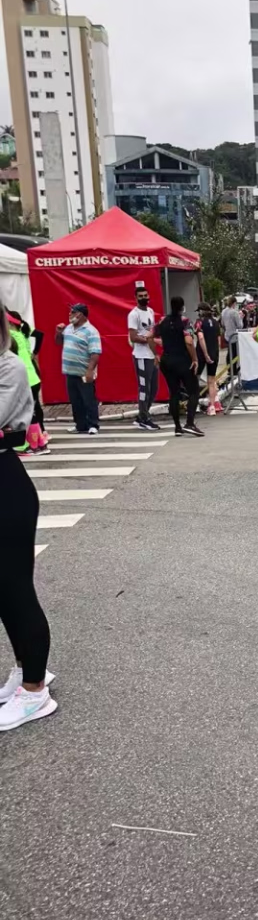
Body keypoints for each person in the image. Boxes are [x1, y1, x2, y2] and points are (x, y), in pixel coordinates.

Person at [0, 304, 56, 731]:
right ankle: (24, 670)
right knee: (3, 593)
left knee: (16, 589)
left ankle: (36, 690)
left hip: (6, 485)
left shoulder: (10, 366)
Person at [154, 297, 205, 438]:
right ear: (182, 307)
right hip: (182, 360)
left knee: (174, 393)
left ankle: (177, 427)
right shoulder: (184, 321)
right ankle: (190, 423)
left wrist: (155, 354)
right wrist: (194, 358)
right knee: (193, 391)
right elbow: (188, 341)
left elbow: (149, 336)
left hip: (167, 360)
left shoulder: (162, 321)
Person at [54, 303, 101, 435]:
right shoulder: (68, 328)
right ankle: (80, 425)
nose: (70, 314)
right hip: (70, 372)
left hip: (83, 372)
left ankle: (93, 424)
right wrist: (58, 333)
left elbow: (95, 353)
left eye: (73, 312)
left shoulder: (91, 331)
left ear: (81, 314)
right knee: (75, 401)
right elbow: (58, 342)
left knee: (88, 399)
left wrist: (90, 370)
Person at [7, 312, 49, 455]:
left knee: (25, 413)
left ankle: (28, 445)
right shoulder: (21, 333)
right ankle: (40, 443)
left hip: (24, 380)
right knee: (32, 411)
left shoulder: (10, 336)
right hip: (33, 378)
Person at [128, 284, 160, 431]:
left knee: (153, 388)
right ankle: (144, 418)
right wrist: (148, 340)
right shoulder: (133, 314)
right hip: (141, 356)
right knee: (144, 388)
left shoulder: (151, 311)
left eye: (145, 295)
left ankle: (143, 415)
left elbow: (151, 332)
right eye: (140, 296)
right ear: (135, 298)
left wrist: (155, 353)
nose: (143, 298)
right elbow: (133, 337)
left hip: (150, 355)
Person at [195, 302, 223, 416]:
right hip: (214, 353)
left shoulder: (199, 322)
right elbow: (219, 339)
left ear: (201, 311)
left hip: (201, 353)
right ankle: (212, 406)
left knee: (195, 379)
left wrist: (206, 354)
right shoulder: (216, 322)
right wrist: (215, 352)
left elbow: (200, 337)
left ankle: (194, 404)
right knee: (211, 380)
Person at [220, 296, 244, 376]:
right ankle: (234, 370)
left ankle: (229, 369)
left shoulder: (223, 312)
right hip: (234, 336)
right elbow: (240, 325)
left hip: (227, 335)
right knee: (234, 353)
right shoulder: (234, 312)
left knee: (229, 353)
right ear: (234, 303)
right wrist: (241, 317)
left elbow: (222, 323)